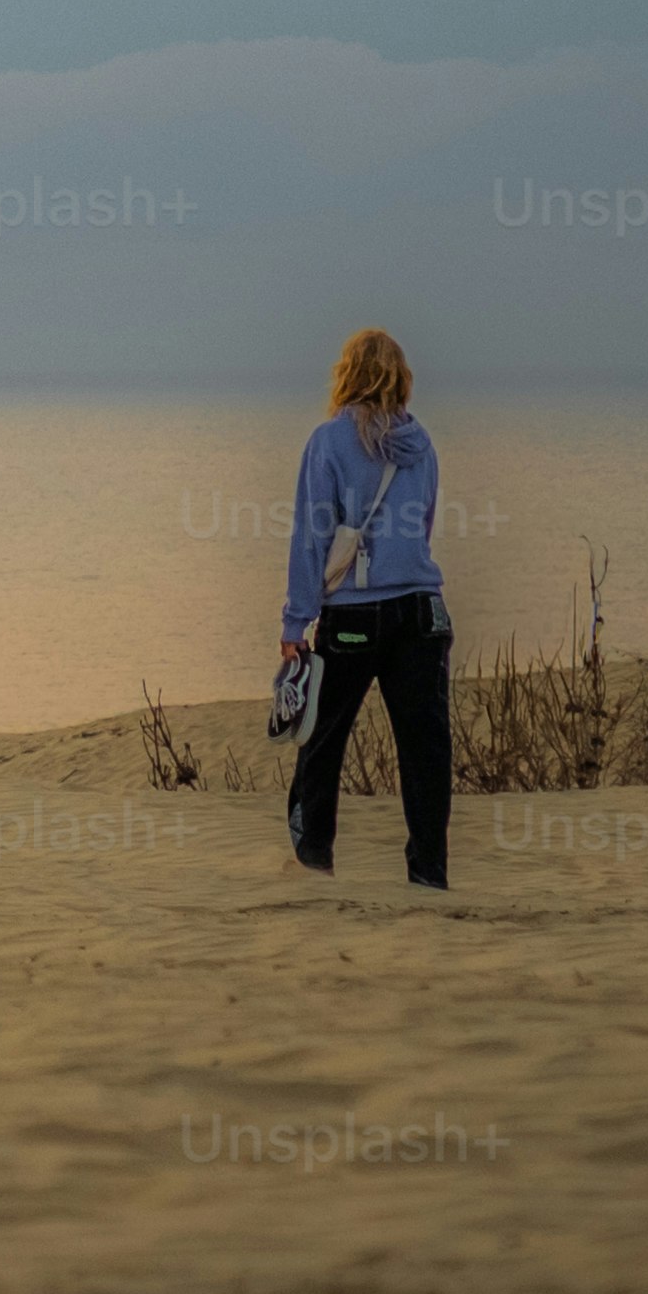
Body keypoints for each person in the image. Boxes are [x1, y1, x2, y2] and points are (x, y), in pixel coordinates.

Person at [278, 324, 453, 886]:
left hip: (354, 613)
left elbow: (312, 534)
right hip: (423, 611)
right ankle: (429, 874)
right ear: (400, 377)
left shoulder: (328, 441)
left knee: (324, 739)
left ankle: (314, 864)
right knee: (425, 749)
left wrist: (295, 621)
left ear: (348, 374)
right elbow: (422, 527)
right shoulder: (421, 443)